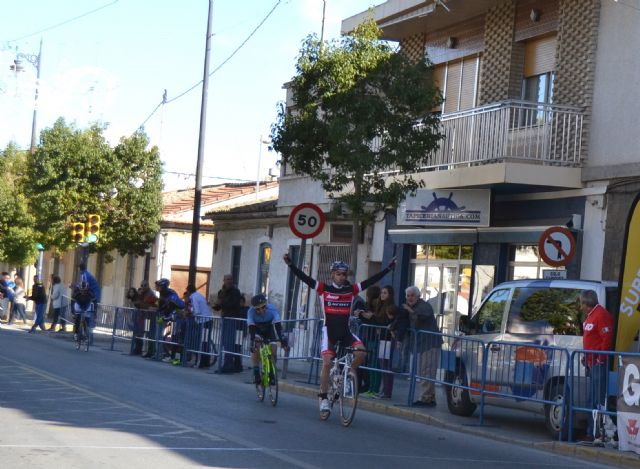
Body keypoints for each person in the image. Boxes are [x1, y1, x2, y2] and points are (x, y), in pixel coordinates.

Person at [283, 253, 396, 415]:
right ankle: (323, 398)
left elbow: (370, 281)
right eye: (338, 274)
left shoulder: (351, 290)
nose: (342, 277)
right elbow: (305, 279)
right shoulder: (324, 289)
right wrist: (291, 265)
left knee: (362, 352)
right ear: (332, 275)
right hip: (329, 332)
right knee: (327, 362)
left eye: (344, 274)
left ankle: (349, 375)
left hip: (345, 331)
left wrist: (388, 269)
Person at [580, 289, 614, 442]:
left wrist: (600, 359)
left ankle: (597, 433)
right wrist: (585, 356)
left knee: (597, 399)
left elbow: (606, 339)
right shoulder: (591, 315)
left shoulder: (601, 315)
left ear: (587, 303)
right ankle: (593, 432)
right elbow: (590, 339)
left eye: (581, 303)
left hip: (598, 363)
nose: (580, 307)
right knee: (592, 399)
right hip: (591, 362)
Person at [403, 285, 443, 407]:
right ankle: (429, 397)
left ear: (418, 296)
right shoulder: (412, 307)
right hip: (422, 343)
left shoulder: (423, 306)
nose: (410, 298)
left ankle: (426, 398)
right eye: (408, 296)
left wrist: (410, 310)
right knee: (423, 371)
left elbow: (423, 315)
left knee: (427, 370)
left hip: (430, 343)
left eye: (412, 295)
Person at [247, 293, 289, 384]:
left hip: (269, 330)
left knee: (274, 351)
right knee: (256, 346)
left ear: (266, 305)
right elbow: (251, 328)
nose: (261, 310)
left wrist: (283, 341)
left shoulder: (272, 309)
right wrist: (252, 342)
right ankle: (256, 372)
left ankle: (272, 372)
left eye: (263, 307)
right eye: (258, 309)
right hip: (257, 330)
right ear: (254, 308)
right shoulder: (250, 312)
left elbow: (278, 326)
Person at [353, 285, 381, 396]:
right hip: (367, 336)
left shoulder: (375, 306)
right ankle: (369, 386)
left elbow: (372, 319)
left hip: (372, 337)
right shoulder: (368, 305)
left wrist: (361, 315)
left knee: (373, 363)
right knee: (368, 363)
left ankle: (373, 387)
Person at [213, 274, 243, 373]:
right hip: (224, 318)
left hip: (233, 318)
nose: (229, 281)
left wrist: (222, 303)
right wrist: (216, 306)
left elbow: (234, 304)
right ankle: (228, 364)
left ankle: (228, 365)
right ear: (224, 280)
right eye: (227, 279)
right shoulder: (221, 292)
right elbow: (219, 306)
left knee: (230, 342)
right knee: (225, 342)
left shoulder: (235, 292)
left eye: (231, 279)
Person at [154, 278, 186, 364]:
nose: (157, 287)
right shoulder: (162, 293)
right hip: (167, 317)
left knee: (176, 338)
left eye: (159, 286)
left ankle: (172, 357)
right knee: (159, 336)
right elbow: (161, 306)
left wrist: (166, 318)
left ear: (164, 286)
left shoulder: (171, 294)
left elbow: (175, 308)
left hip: (177, 319)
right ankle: (160, 354)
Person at [377, 285, 399, 399]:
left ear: (390, 295)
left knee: (386, 365)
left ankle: (387, 391)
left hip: (388, 339)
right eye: (381, 292)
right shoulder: (381, 306)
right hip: (382, 339)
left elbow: (392, 322)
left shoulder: (391, 307)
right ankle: (384, 390)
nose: (382, 295)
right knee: (383, 365)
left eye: (385, 293)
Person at [185, 284, 214, 368]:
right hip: (208, 320)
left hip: (203, 321)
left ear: (189, 291)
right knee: (205, 342)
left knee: (201, 341)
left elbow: (197, 311)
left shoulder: (193, 297)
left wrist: (190, 313)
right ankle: (205, 363)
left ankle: (201, 362)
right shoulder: (200, 295)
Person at [134, 280, 158, 358]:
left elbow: (156, 304)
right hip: (143, 316)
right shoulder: (142, 293)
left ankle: (151, 351)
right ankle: (138, 349)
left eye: (144, 285)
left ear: (148, 286)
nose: (143, 287)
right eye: (142, 285)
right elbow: (137, 303)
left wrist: (148, 307)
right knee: (139, 332)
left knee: (150, 334)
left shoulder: (151, 294)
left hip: (150, 317)